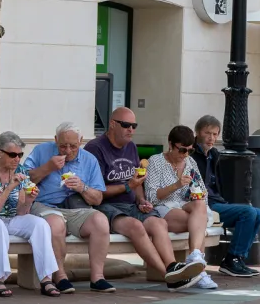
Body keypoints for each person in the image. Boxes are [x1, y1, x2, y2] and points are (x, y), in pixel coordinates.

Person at [82, 108, 204, 290]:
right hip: (106, 206)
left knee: (158, 224)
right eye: (126, 125)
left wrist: (141, 200)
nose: (131, 129)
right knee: (136, 227)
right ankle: (169, 277)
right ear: (112, 124)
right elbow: (96, 192)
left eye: (134, 126)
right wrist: (126, 187)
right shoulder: (95, 148)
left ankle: (173, 267)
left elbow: (137, 180)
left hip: (132, 204)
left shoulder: (131, 146)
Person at [24, 122, 115, 293]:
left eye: (73, 146)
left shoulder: (89, 159)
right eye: (63, 145)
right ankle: (60, 276)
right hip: (45, 205)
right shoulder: (41, 151)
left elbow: (98, 198)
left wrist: (83, 187)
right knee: (56, 224)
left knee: (100, 221)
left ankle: (97, 278)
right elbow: (24, 181)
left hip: (76, 208)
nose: (67, 150)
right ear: (55, 140)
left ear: (80, 141)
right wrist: (48, 167)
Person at [0, 131, 60, 298]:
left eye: (20, 155)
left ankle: (46, 279)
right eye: (12, 155)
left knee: (40, 224)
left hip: (13, 219)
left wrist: (28, 199)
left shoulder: (20, 170)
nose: (17, 159)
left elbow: (22, 211)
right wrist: (9, 188)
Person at [193, 115, 260, 277]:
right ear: (197, 133)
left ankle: (237, 258)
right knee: (249, 213)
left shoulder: (214, 155)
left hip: (217, 201)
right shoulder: (191, 156)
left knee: (257, 213)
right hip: (203, 204)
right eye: (207, 133)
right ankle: (231, 260)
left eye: (215, 134)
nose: (211, 138)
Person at [145, 125, 213, 285]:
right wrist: (176, 185)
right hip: (164, 206)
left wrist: (196, 192)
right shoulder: (156, 161)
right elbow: (152, 197)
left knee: (200, 205)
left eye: (190, 150)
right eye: (182, 150)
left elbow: (203, 192)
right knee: (198, 223)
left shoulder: (190, 162)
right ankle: (200, 272)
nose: (185, 155)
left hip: (185, 204)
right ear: (170, 144)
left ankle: (195, 255)